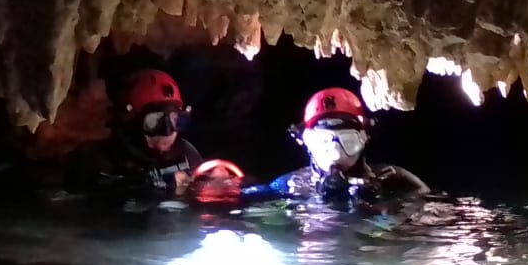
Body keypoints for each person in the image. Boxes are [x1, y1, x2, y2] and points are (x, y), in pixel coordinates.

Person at [242, 86, 429, 208]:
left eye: (348, 141)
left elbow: (431, 210)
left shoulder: (395, 180)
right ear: (306, 141)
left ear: (365, 138)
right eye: (323, 142)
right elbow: (249, 206)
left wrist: (380, 205)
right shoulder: (290, 185)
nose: (335, 153)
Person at [64, 69, 203, 199]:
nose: (168, 132)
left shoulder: (186, 153)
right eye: (154, 121)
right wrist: (149, 184)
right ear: (132, 121)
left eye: (176, 120)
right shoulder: (94, 159)